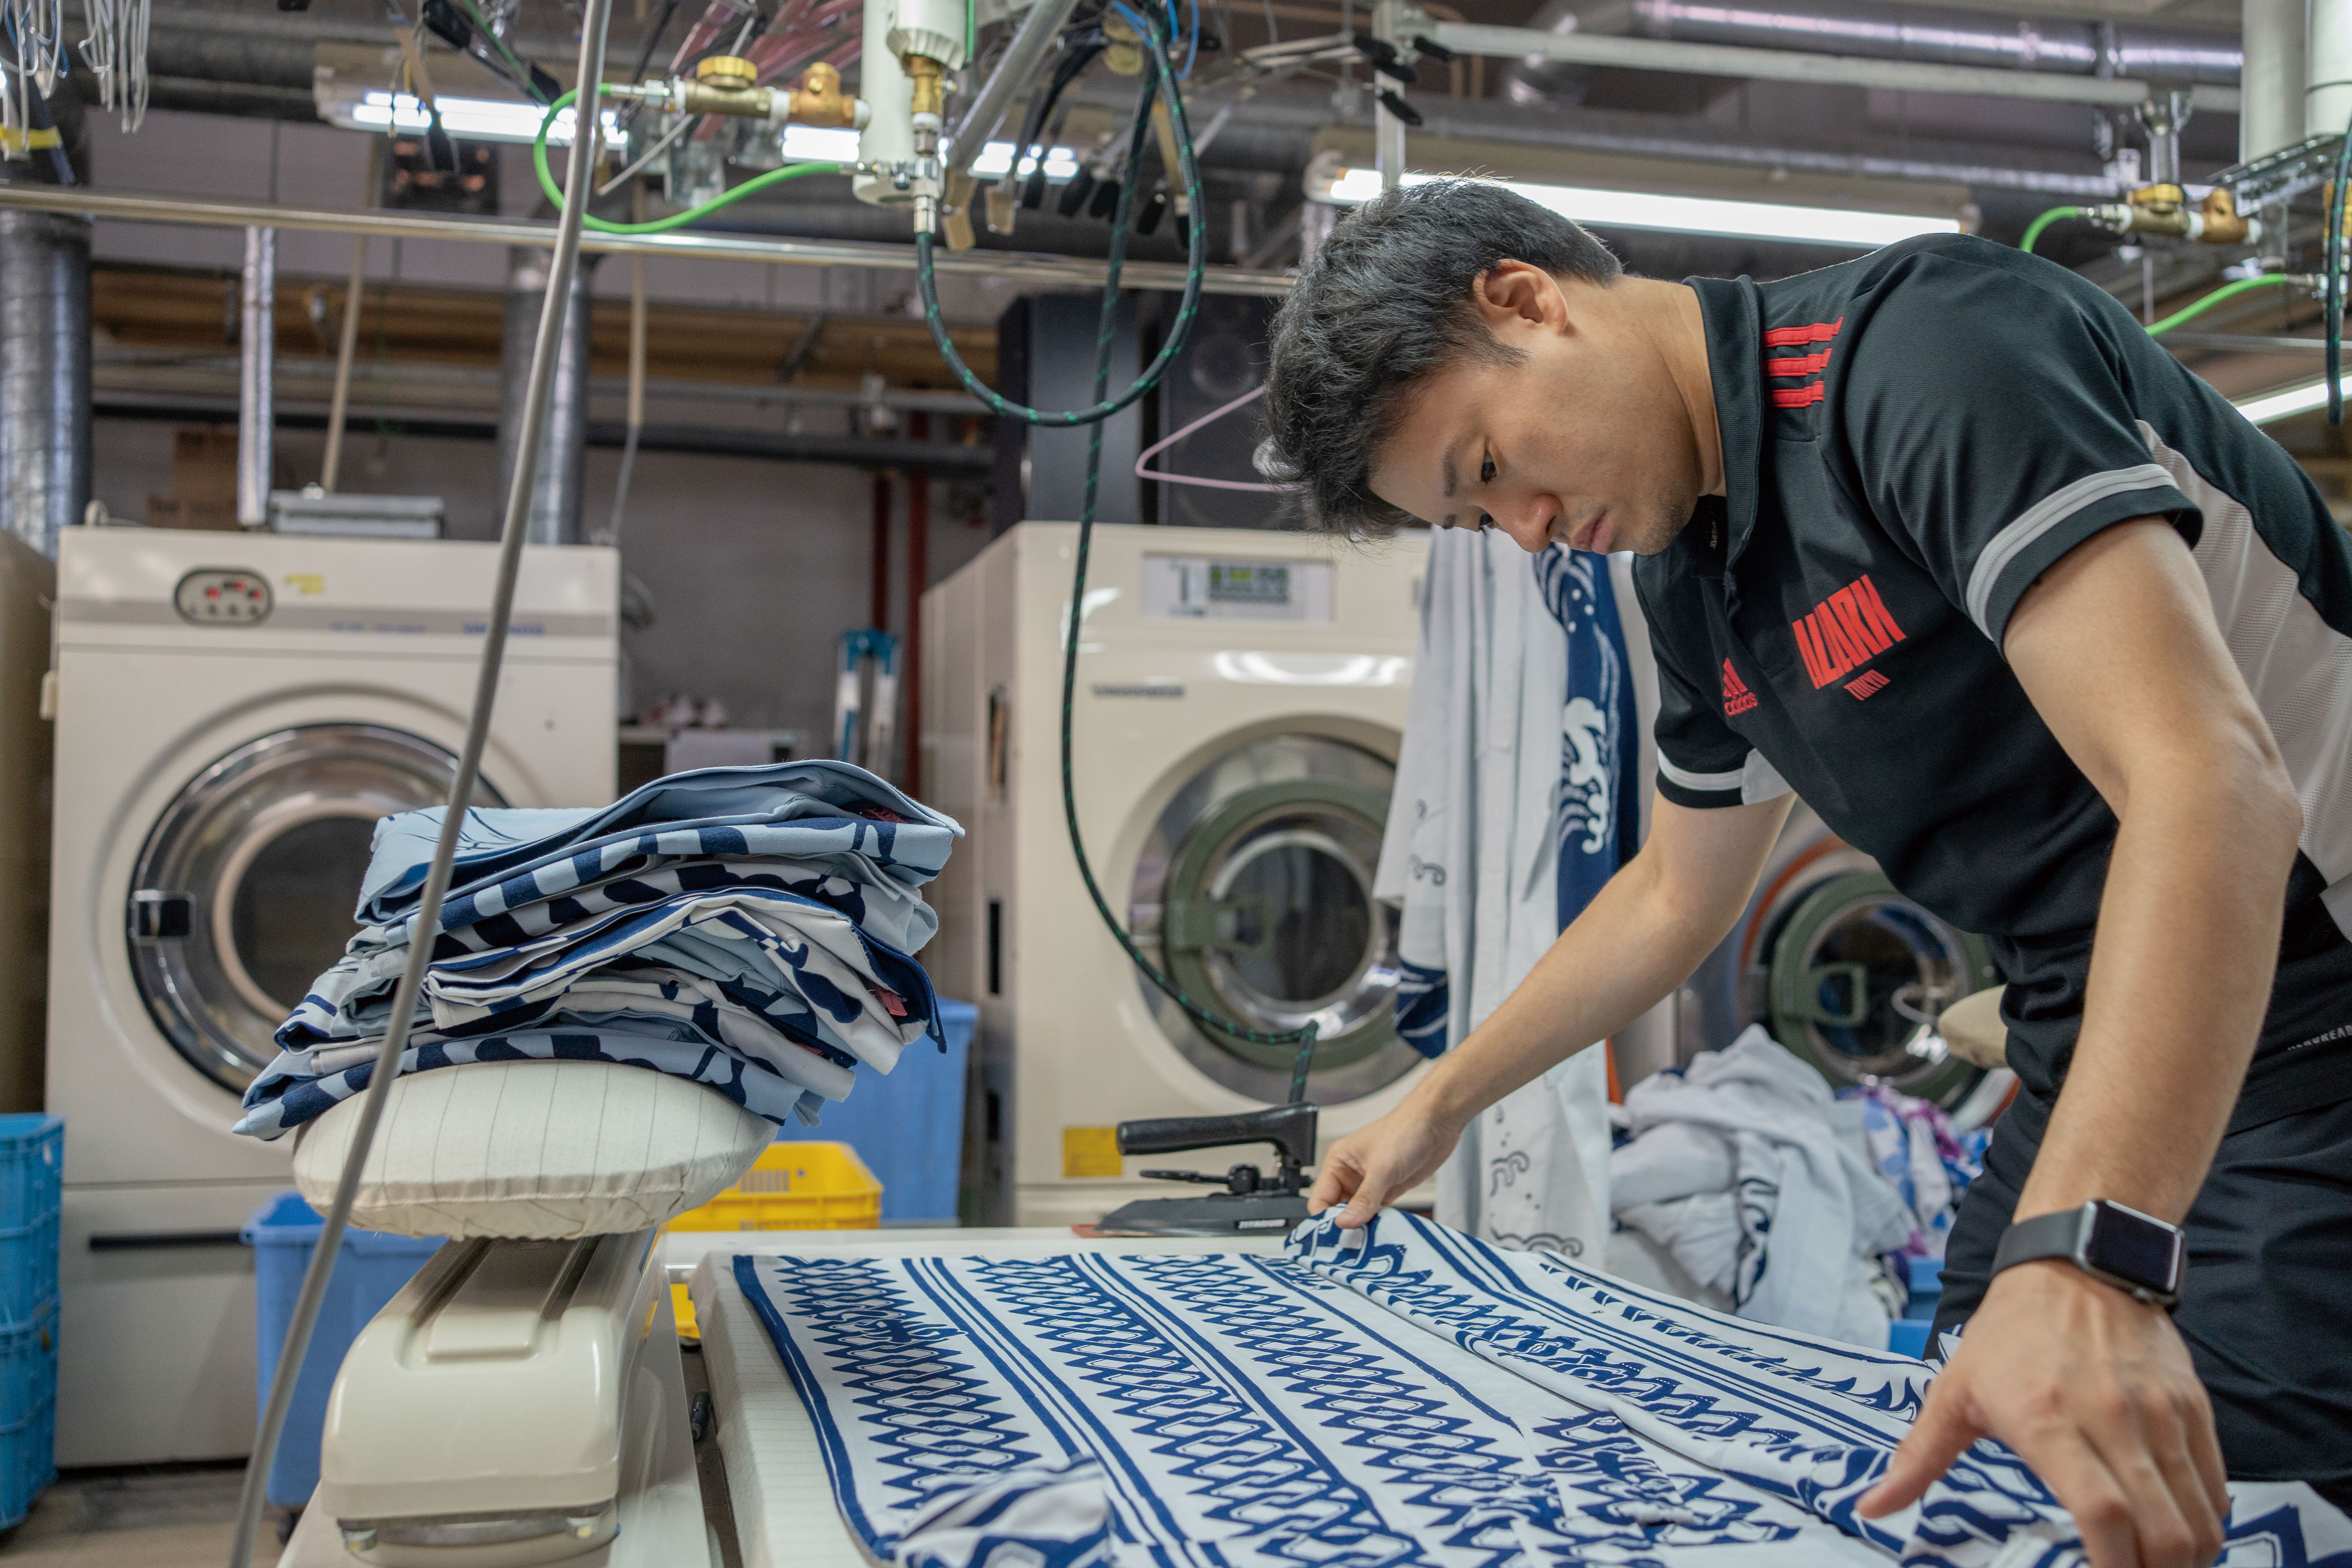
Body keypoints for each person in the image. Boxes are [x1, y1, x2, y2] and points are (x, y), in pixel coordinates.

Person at [1265, 180, 2352, 1568]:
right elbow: (1675, 892)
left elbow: (2213, 784)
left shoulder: (1926, 360)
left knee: (2227, 1514)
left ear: (1527, 299)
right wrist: (1437, 1104)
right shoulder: (1693, 580)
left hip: (2318, 1033)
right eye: (1481, 524)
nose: (1527, 530)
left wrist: (2089, 1252)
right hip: (2085, 1043)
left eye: (1488, 469)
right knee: (1978, 1481)